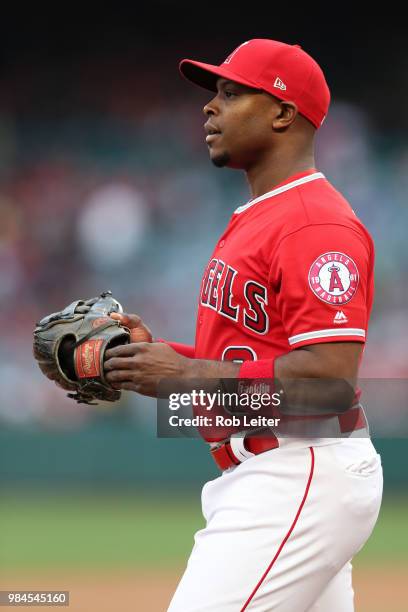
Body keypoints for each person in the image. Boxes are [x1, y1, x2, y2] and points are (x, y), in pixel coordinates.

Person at [104, 39, 383, 611]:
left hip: (297, 469)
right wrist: (149, 356)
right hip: (278, 470)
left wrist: (185, 373)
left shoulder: (313, 223)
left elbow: (328, 376)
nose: (210, 107)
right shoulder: (267, 215)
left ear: (283, 113)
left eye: (232, 94)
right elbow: (256, 351)